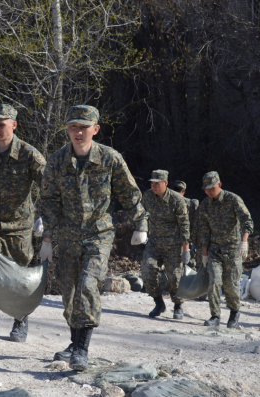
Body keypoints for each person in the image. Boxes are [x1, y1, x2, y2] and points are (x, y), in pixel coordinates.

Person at [40, 105, 148, 371]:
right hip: (67, 237)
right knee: (69, 292)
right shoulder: (57, 161)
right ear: (67, 129)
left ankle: (81, 349)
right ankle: (74, 341)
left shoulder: (110, 159)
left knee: (88, 285)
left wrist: (141, 225)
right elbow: (49, 201)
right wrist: (47, 238)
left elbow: (130, 194)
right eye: (73, 127)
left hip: (99, 234)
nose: (78, 132)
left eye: (83, 127)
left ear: (95, 129)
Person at [0, 103, 46, 351]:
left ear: (14, 125)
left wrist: (45, 216)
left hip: (20, 226)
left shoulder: (29, 155)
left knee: (20, 276)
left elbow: (50, 187)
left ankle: (20, 319)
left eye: (1, 124)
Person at [197, 171, 254, 328]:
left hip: (233, 250)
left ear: (219, 185)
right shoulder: (204, 205)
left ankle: (234, 312)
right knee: (214, 281)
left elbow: (247, 221)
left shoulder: (233, 199)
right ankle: (215, 315)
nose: (208, 191)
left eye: (211, 188)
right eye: (206, 189)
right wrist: (204, 253)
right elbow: (204, 231)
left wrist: (244, 241)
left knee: (231, 285)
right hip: (215, 250)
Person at [140, 170, 190, 320]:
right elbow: (141, 214)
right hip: (154, 243)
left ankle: (178, 305)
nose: (154, 186)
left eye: (157, 183)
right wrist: (140, 230)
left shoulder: (177, 200)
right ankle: (158, 303)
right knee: (147, 270)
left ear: (166, 183)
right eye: (152, 183)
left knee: (174, 277)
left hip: (173, 245)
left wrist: (186, 249)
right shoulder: (148, 196)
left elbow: (184, 225)